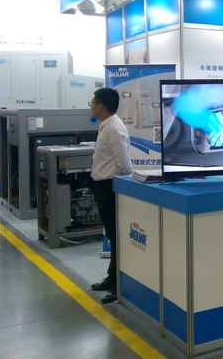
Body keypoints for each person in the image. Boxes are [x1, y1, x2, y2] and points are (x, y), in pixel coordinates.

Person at [89, 88, 133, 304]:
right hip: (103, 186)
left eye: (92, 102)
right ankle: (111, 277)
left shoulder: (113, 128)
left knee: (116, 236)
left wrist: (127, 185)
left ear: (100, 106)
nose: (90, 106)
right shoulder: (106, 125)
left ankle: (118, 285)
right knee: (112, 234)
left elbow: (124, 162)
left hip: (110, 187)